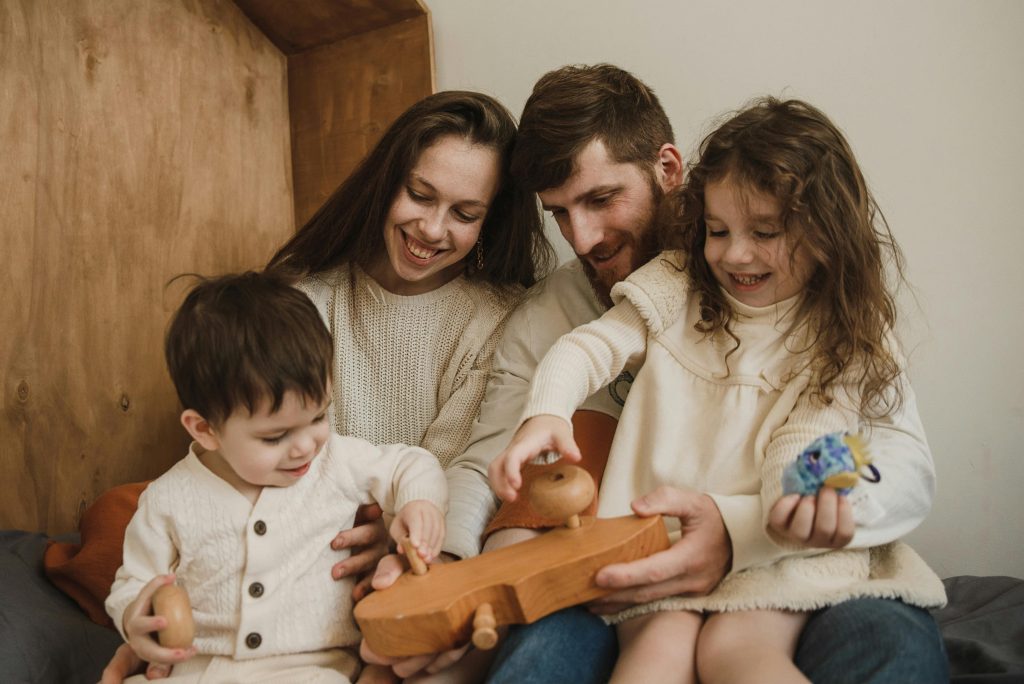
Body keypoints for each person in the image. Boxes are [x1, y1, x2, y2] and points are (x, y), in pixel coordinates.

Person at [448, 64, 945, 684]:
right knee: (544, 661)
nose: (583, 238)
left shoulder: (834, 321)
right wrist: (447, 567)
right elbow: (490, 458)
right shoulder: (566, 313)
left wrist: (761, 522)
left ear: (668, 169)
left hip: (783, 553)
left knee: (890, 646)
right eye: (559, 214)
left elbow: (872, 452)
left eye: (602, 199)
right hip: (631, 557)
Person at [100, 90, 552, 682]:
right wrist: (144, 619)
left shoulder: (499, 320)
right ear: (387, 182)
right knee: (121, 516)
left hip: (404, 550)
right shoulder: (305, 298)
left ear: (490, 220)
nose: (431, 228)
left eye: (465, 214)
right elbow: (266, 455)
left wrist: (397, 532)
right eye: (419, 195)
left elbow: (452, 470)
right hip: (297, 536)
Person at [105, 271, 448, 682]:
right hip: (198, 670)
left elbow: (410, 464)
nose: (305, 445)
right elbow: (134, 581)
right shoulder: (168, 499)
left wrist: (419, 502)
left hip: (312, 670)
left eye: (319, 415)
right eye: (275, 436)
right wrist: (135, 618)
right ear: (205, 429)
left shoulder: (337, 462)